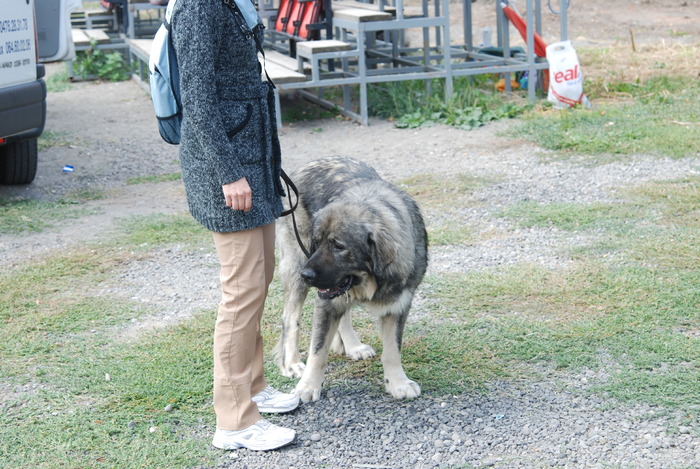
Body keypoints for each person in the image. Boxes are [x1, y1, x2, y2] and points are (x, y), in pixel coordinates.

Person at [169, 0, 300, 451]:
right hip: (228, 175)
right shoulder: (199, 9)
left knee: (258, 281)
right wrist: (229, 173)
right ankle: (235, 421)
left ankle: (255, 388)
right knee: (241, 291)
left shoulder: (228, 3)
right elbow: (199, 102)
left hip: (251, 166)